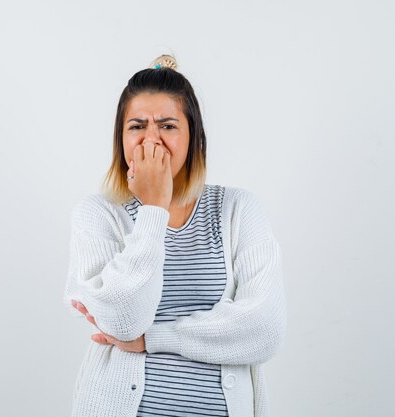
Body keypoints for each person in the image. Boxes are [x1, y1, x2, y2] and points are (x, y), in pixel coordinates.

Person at [62, 54, 287, 417]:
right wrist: (154, 209)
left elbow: (264, 329)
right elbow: (123, 321)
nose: (152, 139)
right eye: (137, 126)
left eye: (167, 125)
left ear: (192, 135)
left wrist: (152, 339)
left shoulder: (238, 210)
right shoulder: (99, 214)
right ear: (120, 138)